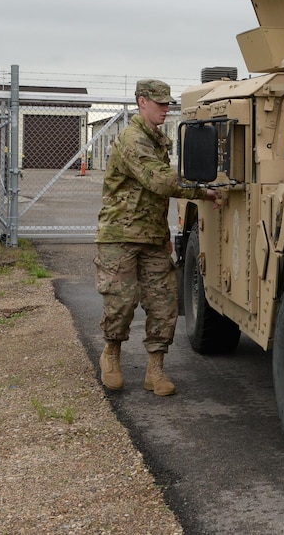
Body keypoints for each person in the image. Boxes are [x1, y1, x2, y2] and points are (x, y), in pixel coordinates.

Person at [94, 79, 218, 396]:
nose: (165, 109)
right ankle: (111, 354)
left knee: (164, 303)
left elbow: (156, 198)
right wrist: (203, 190)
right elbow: (159, 181)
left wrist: (164, 234)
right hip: (120, 234)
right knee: (121, 303)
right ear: (142, 103)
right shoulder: (132, 140)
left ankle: (155, 370)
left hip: (151, 236)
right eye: (159, 103)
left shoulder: (157, 140)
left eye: (167, 104)